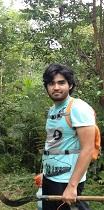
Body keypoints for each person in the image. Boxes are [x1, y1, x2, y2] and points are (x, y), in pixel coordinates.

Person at [41, 63, 95, 210]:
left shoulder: (78, 108)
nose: (56, 87)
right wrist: (45, 172)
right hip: (50, 177)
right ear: (47, 87)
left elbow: (88, 149)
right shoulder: (53, 110)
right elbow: (54, 144)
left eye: (61, 82)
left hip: (66, 180)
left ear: (70, 85)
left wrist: (72, 186)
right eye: (51, 83)